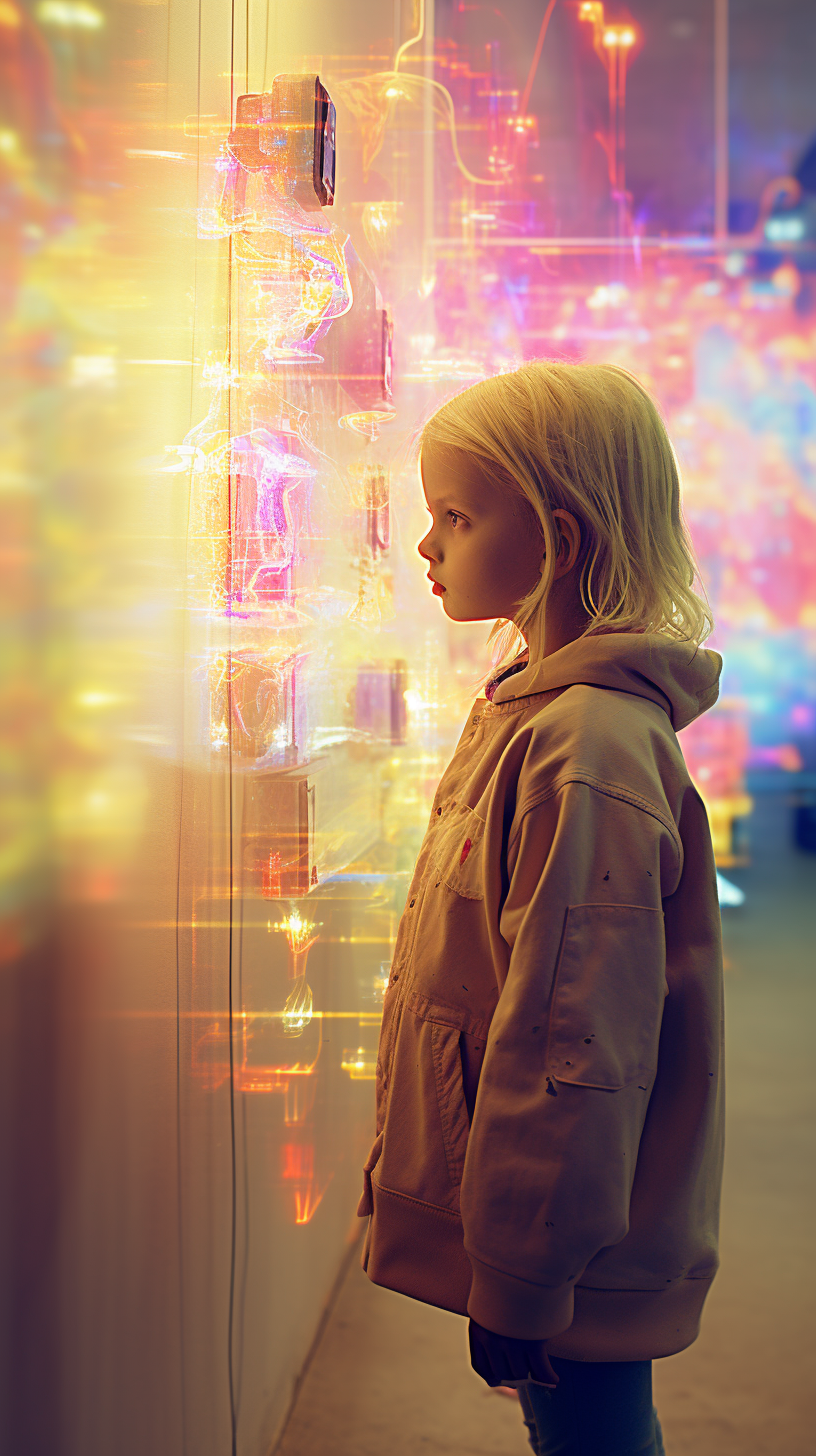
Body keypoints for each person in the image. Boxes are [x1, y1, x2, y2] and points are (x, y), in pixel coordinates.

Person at [356, 361, 725, 1456]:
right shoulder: (537, 714)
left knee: (595, 1433)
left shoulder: (585, 749)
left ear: (557, 537)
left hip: (576, 1239)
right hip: (562, 1226)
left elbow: (574, 1037)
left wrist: (523, 1271)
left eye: (456, 517)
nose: (429, 548)